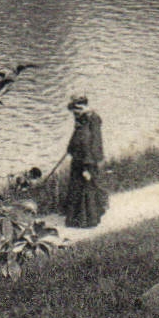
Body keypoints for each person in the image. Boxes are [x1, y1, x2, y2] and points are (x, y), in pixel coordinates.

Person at [61, 96, 108, 227]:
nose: (74, 114)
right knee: (76, 187)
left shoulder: (93, 120)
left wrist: (88, 166)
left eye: (76, 110)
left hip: (87, 160)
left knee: (87, 189)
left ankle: (87, 221)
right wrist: (71, 148)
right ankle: (74, 218)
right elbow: (77, 136)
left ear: (82, 107)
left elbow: (93, 143)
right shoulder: (81, 119)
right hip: (78, 159)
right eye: (73, 111)